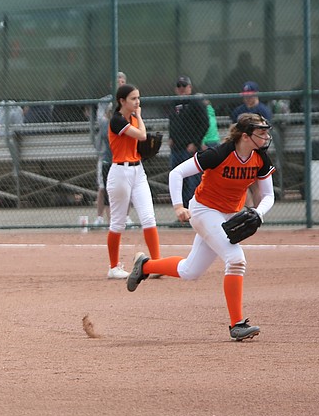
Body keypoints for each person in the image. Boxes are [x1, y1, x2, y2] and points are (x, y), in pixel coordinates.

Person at [126, 113, 275, 342]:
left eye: (266, 132)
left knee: (190, 271)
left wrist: (258, 212)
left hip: (229, 215)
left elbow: (268, 195)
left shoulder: (260, 157)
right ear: (245, 136)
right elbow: (177, 173)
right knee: (236, 259)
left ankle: (145, 266)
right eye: (261, 133)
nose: (266, 137)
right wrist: (178, 207)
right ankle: (237, 324)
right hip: (204, 210)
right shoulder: (219, 153)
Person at [105, 83, 162, 279]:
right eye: (133, 99)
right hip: (120, 173)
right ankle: (113, 267)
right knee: (118, 223)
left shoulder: (132, 118)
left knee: (148, 218)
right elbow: (142, 135)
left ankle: (156, 264)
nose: (137, 102)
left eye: (138, 98)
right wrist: (139, 116)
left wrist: (137, 116)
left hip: (138, 171)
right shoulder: (117, 120)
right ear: (122, 101)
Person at [168, 75, 210, 209]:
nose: (181, 89)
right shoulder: (174, 104)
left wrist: (195, 143)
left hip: (189, 149)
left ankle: (193, 211)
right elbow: (172, 122)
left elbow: (205, 124)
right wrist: (170, 137)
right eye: (179, 86)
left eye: (184, 86)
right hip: (176, 149)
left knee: (191, 182)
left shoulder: (196, 103)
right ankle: (182, 212)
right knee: (177, 181)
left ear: (190, 88)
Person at [93, 72, 126, 226]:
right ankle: (101, 218)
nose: (119, 83)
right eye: (116, 81)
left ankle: (125, 217)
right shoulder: (104, 102)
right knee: (103, 187)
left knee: (125, 188)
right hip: (106, 151)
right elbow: (103, 124)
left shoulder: (129, 101)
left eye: (122, 81)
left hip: (123, 152)